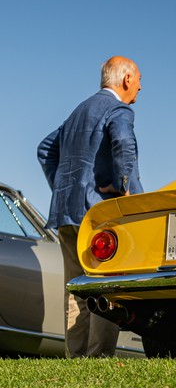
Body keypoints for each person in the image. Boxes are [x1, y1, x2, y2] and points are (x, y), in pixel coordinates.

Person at [37, 56, 143, 357]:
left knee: (76, 288)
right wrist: (124, 189)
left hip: (65, 212)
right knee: (105, 285)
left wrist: (63, 187)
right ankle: (97, 358)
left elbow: (45, 149)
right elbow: (123, 143)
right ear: (125, 80)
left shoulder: (78, 112)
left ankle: (76, 358)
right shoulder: (118, 109)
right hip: (97, 213)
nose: (140, 88)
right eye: (138, 80)